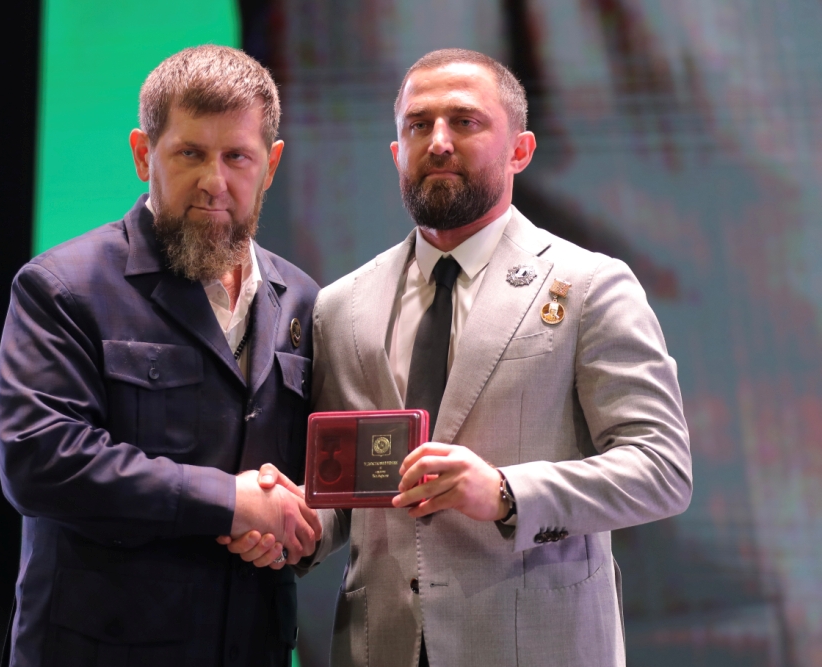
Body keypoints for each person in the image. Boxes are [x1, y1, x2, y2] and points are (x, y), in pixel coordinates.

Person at [229, 48, 692, 667]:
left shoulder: (590, 286)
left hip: (538, 646)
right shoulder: (341, 305)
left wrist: (505, 492)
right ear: (397, 153)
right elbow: (350, 489)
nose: (439, 142)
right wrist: (297, 525)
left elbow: (661, 468)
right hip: (379, 645)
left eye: (465, 121)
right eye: (418, 125)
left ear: (520, 150)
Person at [0, 45, 321, 666]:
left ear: (271, 165)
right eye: (190, 153)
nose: (214, 182)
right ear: (145, 154)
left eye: (237, 157)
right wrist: (233, 503)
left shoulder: (302, 298)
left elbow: (308, 477)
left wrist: (291, 531)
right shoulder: (61, 286)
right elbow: (41, 460)